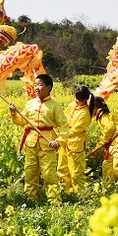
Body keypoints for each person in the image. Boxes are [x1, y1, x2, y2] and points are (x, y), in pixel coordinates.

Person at [9, 74, 68, 204]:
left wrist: (58, 141)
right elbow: (21, 121)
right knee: (30, 172)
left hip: (47, 143)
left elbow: (64, 127)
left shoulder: (54, 106)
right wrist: (13, 112)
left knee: (49, 174)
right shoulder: (30, 104)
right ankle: (30, 199)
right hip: (31, 142)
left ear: (49, 87)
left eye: (40, 85)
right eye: (35, 85)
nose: (36, 88)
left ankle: (54, 201)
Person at [57, 86, 94, 194]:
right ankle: (66, 191)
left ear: (84, 100)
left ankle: (80, 194)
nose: (75, 101)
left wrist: (62, 134)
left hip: (75, 144)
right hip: (65, 142)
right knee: (62, 168)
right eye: (75, 98)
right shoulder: (73, 105)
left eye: (78, 99)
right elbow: (64, 116)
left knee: (76, 172)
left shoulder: (85, 113)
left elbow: (75, 130)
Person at [88, 96, 118, 187]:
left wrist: (102, 143)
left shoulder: (103, 115)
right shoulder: (102, 115)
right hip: (114, 142)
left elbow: (110, 128)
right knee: (107, 165)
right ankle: (108, 188)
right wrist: (96, 149)